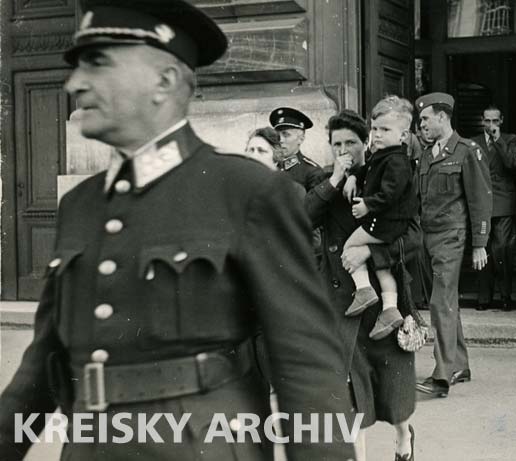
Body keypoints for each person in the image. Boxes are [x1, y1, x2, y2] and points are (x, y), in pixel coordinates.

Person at [0, 2, 357, 460]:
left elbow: (307, 366)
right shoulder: (80, 205)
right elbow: (41, 365)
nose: (75, 83)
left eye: (99, 65)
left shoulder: (247, 191)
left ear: (164, 81)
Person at [305, 109, 420, 461]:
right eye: (336, 143)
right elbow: (300, 218)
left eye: (351, 143)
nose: (344, 150)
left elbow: (414, 238)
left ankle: (403, 437)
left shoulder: (386, 176)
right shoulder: (324, 182)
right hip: (342, 303)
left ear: (365, 142)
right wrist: (334, 181)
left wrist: (370, 254)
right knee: (350, 397)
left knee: (394, 390)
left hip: (384, 302)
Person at [414, 92, 492, 398]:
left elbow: (480, 199)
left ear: (443, 117)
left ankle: (442, 374)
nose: (421, 125)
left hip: (452, 235)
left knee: (440, 301)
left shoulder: (467, 151)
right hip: (428, 236)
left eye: (425, 119)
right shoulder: (425, 155)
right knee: (446, 301)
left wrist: (480, 243)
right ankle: (459, 364)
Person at [342, 96, 419, 340]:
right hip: (388, 224)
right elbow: (367, 169)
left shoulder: (397, 161)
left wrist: (367, 205)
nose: (377, 135)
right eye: (374, 129)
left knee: (350, 246)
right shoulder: (384, 155)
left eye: (385, 130)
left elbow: (390, 194)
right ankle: (389, 308)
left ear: (403, 135)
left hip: (383, 222)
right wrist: (354, 175)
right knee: (382, 265)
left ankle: (363, 289)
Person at [471, 105, 516, 312]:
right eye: (487, 121)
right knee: (481, 249)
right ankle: (484, 297)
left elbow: (512, 163)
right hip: (481, 202)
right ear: (482, 121)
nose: (491, 125)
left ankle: (505, 295)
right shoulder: (473, 142)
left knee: (502, 250)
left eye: (495, 121)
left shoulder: (510, 139)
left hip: (502, 202)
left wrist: (499, 140)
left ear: (501, 121)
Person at [270, 107, 325, 190]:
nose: (280, 140)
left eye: (286, 135)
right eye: (277, 135)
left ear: (301, 139)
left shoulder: (312, 172)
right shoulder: (271, 167)